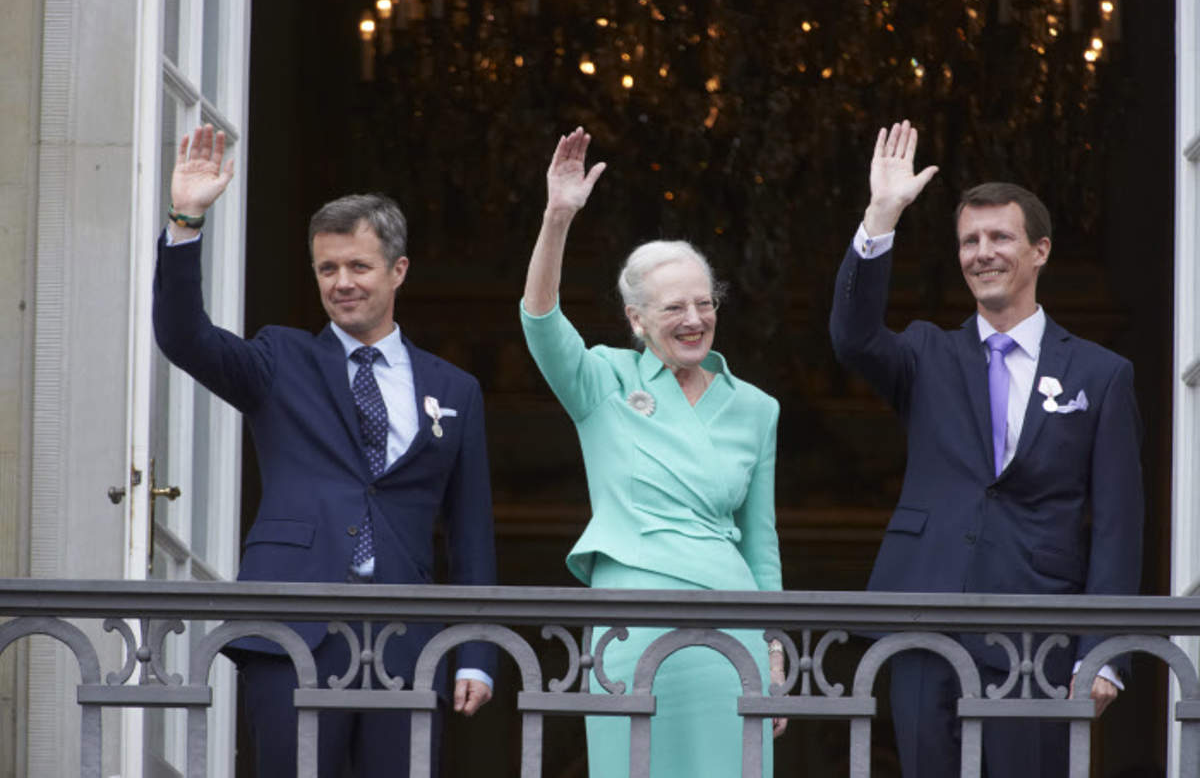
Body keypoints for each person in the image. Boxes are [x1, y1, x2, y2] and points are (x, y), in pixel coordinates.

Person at [153, 124, 497, 777]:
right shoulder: (281, 358)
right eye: (327, 268)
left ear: (398, 270)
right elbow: (183, 335)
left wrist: (477, 650)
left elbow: (472, 532)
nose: (342, 282)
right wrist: (186, 220)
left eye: (358, 266)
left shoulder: (457, 389)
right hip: (293, 628)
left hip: (406, 639)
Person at [829, 120, 1144, 777]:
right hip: (922, 619)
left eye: (999, 236)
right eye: (969, 240)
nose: (982, 252)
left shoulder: (1100, 374)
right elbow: (853, 337)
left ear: (1040, 251)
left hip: (1036, 634)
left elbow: (1118, 523)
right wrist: (880, 218)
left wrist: (1103, 652)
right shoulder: (925, 352)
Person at [520, 127, 787, 776]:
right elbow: (541, 321)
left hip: (733, 635)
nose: (694, 318)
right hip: (629, 628)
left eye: (705, 302)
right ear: (636, 319)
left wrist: (778, 645)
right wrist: (557, 218)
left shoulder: (756, 406)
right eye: (674, 308)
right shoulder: (603, 381)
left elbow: (761, 540)